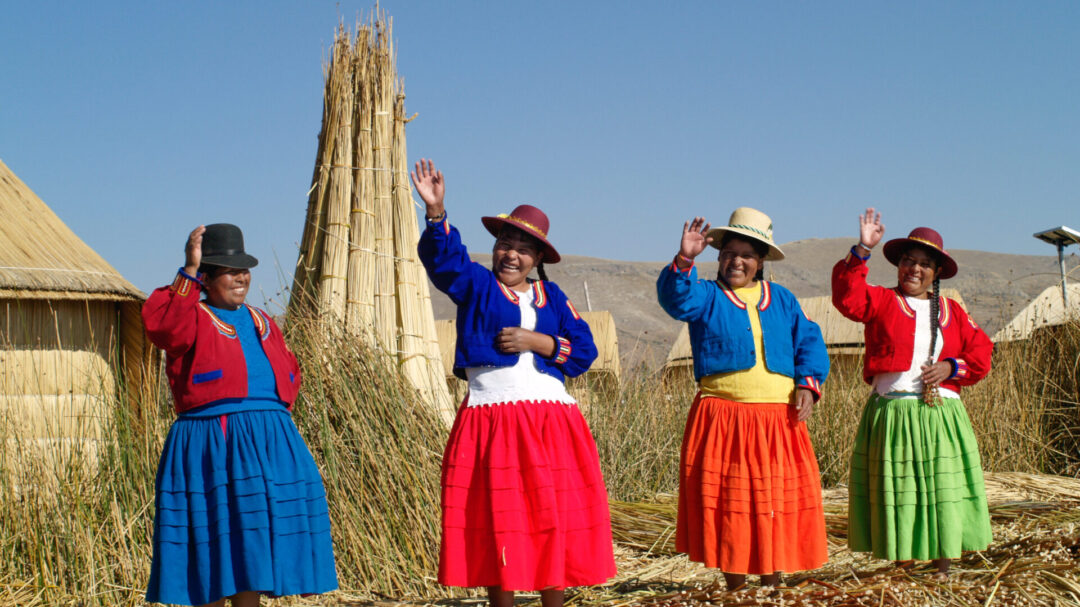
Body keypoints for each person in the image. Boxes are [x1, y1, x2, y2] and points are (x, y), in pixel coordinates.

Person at [412, 159, 616, 607]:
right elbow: (444, 263)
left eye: (524, 249)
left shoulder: (554, 298)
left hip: (551, 420)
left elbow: (583, 352)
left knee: (552, 513)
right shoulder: (477, 286)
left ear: (538, 259)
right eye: (506, 243)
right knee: (498, 514)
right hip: (493, 417)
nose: (511, 254)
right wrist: (436, 212)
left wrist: (539, 341)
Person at [142, 224, 338, 607]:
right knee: (214, 537)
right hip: (211, 441)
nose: (242, 277)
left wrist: (272, 423)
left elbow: (289, 373)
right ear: (207, 278)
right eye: (231, 271)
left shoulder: (261, 320)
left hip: (268, 440)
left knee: (252, 538)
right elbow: (163, 329)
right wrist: (187, 270)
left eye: (244, 269)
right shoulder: (189, 313)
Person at [656, 208, 830, 590]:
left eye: (747, 255)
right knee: (732, 504)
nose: (737, 261)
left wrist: (807, 385)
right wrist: (685, 258)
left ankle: (773, 582)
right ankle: (735, 586)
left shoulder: (782, 299)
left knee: (775, 503)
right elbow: (675, 300)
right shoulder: (706, 295)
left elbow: (810, 342)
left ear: (761, 262)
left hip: (777, 421)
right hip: (724, 418)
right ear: (718, 258)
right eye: (729, 253)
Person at [832, 208, 993, 578]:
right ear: (899, 265)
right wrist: (861, 250)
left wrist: (952, 368)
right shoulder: (882, 302)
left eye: (924, 264)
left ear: (936, 274)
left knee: (943, 486)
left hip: (942, 414)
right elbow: (848, 298)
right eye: (908, 261)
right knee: (899, 488)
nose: (914, 270)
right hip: (895, 412)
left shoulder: (953, 311)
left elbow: (982, 353)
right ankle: (903, 563)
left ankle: (944, 564)